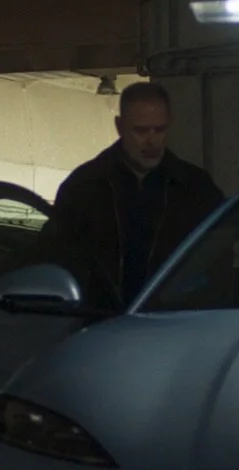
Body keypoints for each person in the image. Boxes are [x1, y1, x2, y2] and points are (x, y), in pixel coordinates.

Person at [33, 81, 226, 310]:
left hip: (172, 323)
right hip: (101, 321)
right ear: (120, 126)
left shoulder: (195, 187)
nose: (152, 140)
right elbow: (56, 257)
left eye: (160, 129)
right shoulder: (85, 186)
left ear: (170, 125)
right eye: (141, 130)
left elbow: (218, 259)